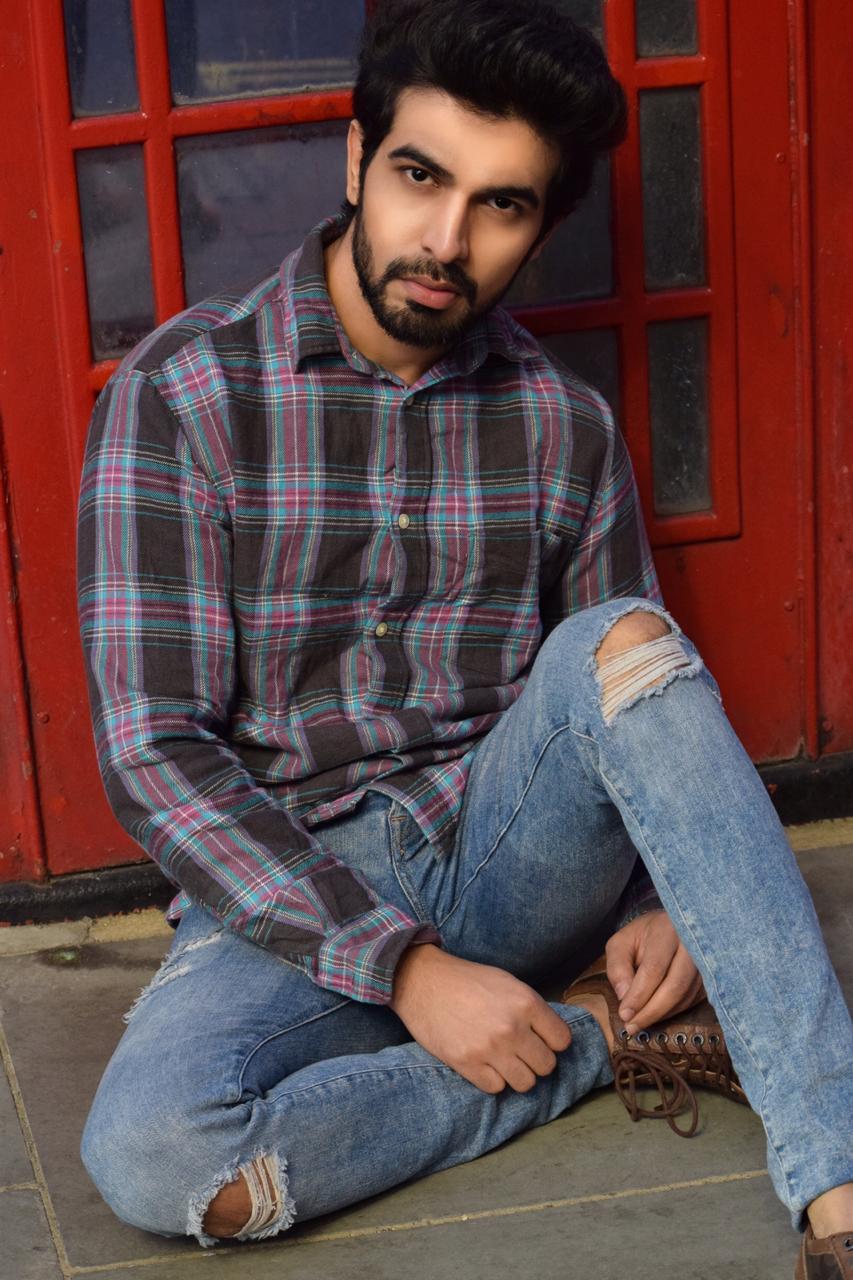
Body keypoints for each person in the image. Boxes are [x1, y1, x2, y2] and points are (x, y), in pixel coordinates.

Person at [75, 1, 853, 1274]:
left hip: (506, 844)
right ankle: (591, 1040)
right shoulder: (183, 394)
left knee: (623, 634)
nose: (445, 240)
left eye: (500, 205)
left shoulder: (562, 425)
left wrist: (659, 897)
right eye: (419, 177)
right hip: (294, 881)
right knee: (159, 1155)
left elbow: (624, 694)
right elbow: (154, 750)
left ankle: (837, 1184)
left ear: (539, 225)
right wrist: (404, 971)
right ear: (355, 159)